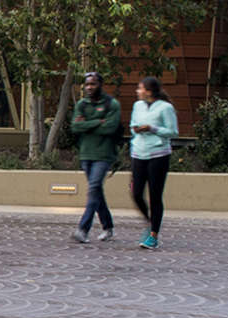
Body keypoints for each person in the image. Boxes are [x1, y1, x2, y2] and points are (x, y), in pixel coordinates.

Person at [68, 71, 123, 243]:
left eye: (93, 84)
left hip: (104, 154)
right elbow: (75, 127)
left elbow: (110, 127)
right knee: (97, 191)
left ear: (100, 85)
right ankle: (108, 227)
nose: (89, 87)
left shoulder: (111, 104)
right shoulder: (82, 104)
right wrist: (98, 122)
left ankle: (82, 229)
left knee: (93, 189)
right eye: (87, 84)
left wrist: (87, 125)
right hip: (86, 153)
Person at [128, 76, 178, 250]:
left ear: (149, 91)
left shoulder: (165, 108)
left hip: (158, 155)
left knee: (155, 195)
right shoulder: (137, 106)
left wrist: (152, 128)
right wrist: (136, 129)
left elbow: (172, 131)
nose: (137, 91)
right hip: (138, 153)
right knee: (136, 193)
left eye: (140, 88)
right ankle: (149, 221)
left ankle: (153, 235)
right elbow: (132, 126)